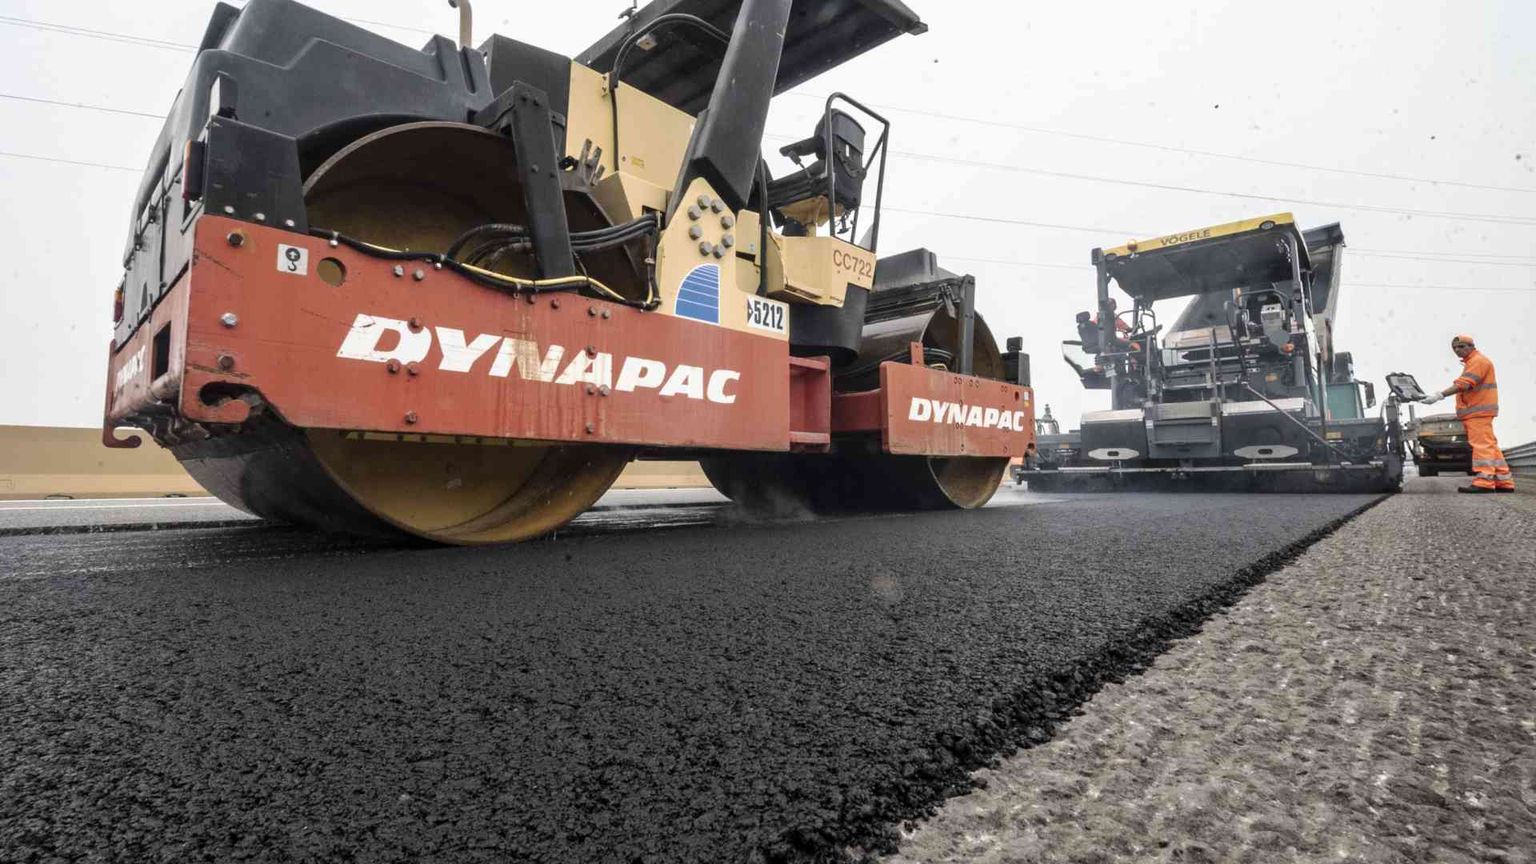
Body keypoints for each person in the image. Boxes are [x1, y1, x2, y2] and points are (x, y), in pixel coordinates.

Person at [1421, 335, 1514, 493]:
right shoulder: (1475, 361)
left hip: (1478, 411)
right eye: (1455, 348)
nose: (1457, 350)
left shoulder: (1477, 361)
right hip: (1480, 411)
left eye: (1461, 346)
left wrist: (1439, 395)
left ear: (1472, 346)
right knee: (1490, 446)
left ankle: (1484, 482)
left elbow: (1464, 384)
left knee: (1481, 446)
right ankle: (1503, 481)